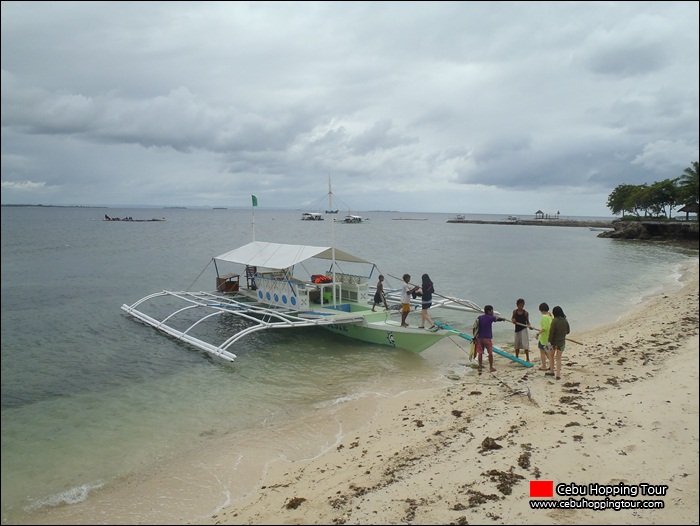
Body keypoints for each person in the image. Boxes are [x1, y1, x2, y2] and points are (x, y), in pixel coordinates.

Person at [474, 305, 507, 373]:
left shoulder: (480, 317)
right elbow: (497, 319)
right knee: (490, 353)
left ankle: (480, 367)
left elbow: (475, 327)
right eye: (492, 310)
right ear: (489, 311)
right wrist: (503, 319)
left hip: (479, 338)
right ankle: (491, 367)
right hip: (487, 338)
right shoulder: (490, 317)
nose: (492, 312)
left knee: (480, 353)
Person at [547, 305, 570, 380]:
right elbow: (568, 331)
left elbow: (551, 332)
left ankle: (552, 371)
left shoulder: (555, 321)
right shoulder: (565, 320)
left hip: (553, 343)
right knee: (558, 358)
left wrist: (549, 341)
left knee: (551, 356)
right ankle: (558, 374)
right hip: (562, 343)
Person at [534, 302, 553, 371]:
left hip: (544, 338)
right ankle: (551, 365)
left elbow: (545, 328)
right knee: (548, 352)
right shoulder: (551, 315)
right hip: (550, 337)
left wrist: (538, 333)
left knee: (542, 352)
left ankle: (544, 366)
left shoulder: (544, 317)